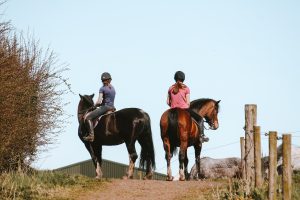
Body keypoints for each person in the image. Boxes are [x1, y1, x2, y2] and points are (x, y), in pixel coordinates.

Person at [167, 71, 209, 142]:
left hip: (173, 110)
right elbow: (188, 103)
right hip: (184, 109)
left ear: (175, 78)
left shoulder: (170, 88)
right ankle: (202, 135)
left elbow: (168, 102)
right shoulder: (186, 88)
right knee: (200, 119)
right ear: (183, 79)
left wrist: (174, 105)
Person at [83, 72, 116, 142]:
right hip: (112, 108)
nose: (103, 82)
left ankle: (91, 136)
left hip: (105, 107)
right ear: (110, 80)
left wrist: (94, 106)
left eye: (103, 80)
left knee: (88, 118)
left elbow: (99, 101)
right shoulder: (113, 88)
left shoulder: (102, 88)